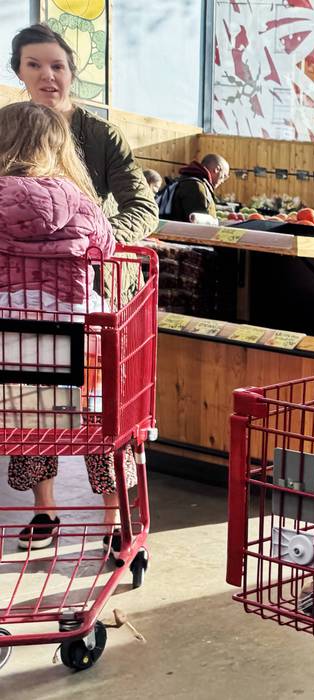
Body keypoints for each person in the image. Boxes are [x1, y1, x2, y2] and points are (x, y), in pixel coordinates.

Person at [0, 102, 137, 552]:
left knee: (29, 416)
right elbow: (107, 246)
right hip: (78, 345)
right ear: (58, 147)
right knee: (104, 420)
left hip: (11, 347)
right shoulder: (80, 202)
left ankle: (45, 511)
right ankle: (114, 521)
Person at [11, 24, 157, 244]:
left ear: (71, 73)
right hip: (15, 260)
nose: (47, 75)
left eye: (57, 66)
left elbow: (143, 208)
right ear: (19, 72)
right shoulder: (7, 128)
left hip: (87, 258)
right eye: (34, 65)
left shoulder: (103, 135)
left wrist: (92, 236)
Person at [159, 153, 229, 222]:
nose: (223, 181)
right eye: (224, 176)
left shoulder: (186, 181)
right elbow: (198, 222)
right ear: (217, 169)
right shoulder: (195, 186)